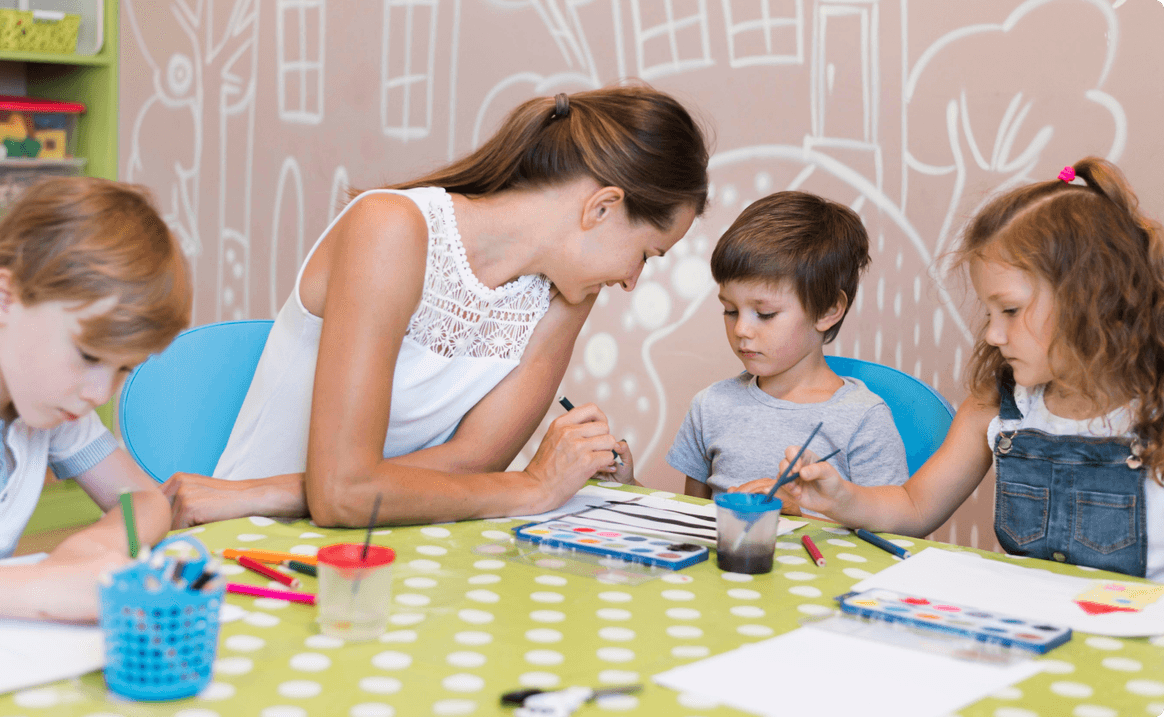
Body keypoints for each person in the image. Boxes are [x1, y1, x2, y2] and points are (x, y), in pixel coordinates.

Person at [164, 85, 710, 528]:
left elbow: (469, 466)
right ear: (602, 207)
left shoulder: (566, 293)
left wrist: (267, 493)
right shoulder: (392, 229)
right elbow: (342, 496)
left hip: (398, 538)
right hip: (251, 543)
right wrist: (533, 485)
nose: (633, 280)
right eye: (646, 253)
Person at [745, 158, 1164, 581]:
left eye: (1011, 310)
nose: (994, 335)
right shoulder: (995, 408)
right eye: (990, 312)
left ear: (1091, 298)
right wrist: (842, 499)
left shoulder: (1153, 409)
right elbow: (914, 506)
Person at [0, 177, 191, 620]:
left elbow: (144, 500)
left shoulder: (51, 405)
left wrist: (92, 548)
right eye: (88, 356)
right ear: (5, 298)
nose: (98, 393)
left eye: (122, 368)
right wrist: (39, 588)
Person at [659, 191, 907, 505]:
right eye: (730, 310)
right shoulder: (711, 407)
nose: (741, 329)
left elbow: (902, 537)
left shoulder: (863, 420)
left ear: (828, 310)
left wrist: (802, 513)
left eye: (765, 314)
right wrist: (627, 483)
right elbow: (691, 520)